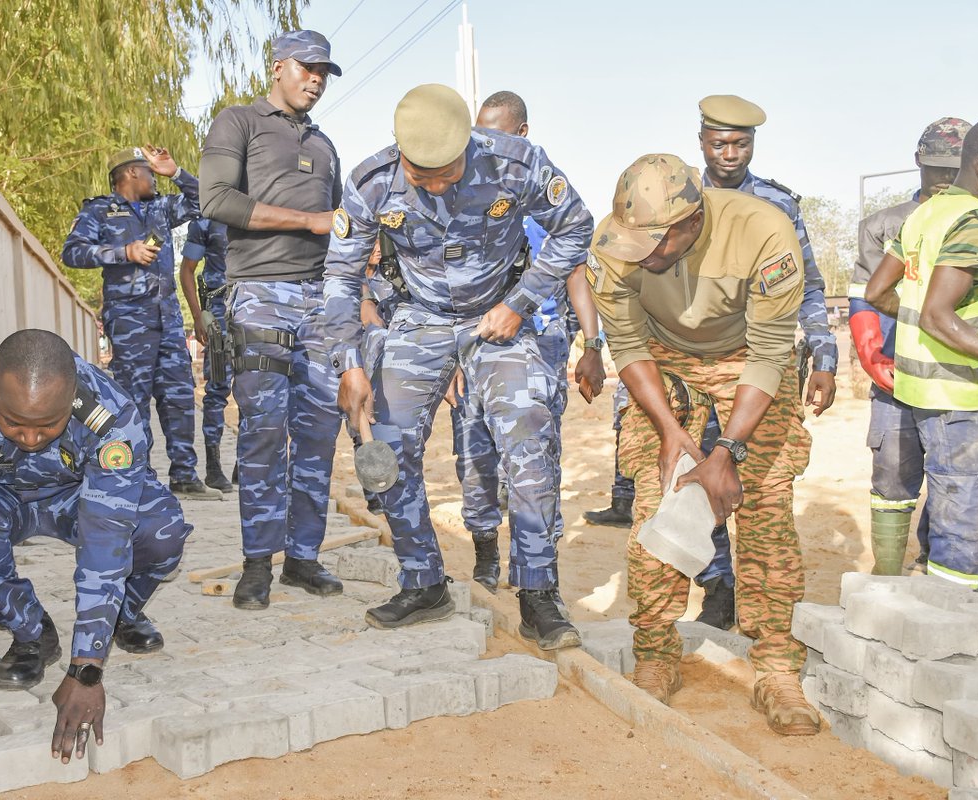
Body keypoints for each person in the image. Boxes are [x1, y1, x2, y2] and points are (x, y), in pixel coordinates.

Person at [324, 84, 594, 650]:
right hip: (418, 320)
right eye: (424, 179)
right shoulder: (372, 181)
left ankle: (539, 595)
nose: (439, 187)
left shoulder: (516, 162)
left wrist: (521, 303)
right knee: (387, 449)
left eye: (449, 173)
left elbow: (575, 227)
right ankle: (423, 581)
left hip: (498, 316)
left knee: (528, 437)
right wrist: (349, 364)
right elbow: (342, 277)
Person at [589, 154, 819, 735]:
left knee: (765, 507)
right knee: (659, 502)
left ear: (692, 222)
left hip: (748, 357)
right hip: (662, 361)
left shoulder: (763, 229)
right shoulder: (616, 243)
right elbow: (628, 344)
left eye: (654, 241)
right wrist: (672, 433)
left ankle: (775, 668)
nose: (639, 252)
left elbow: (770, 353)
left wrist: (728, 453)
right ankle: (657, 656)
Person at [0, 330, 190, 778]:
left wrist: (87, 669)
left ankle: (120, 615)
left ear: (72, 399)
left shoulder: (112, 415)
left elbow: (105, 539)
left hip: (77, 495)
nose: (30, 438)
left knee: (159, 531)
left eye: (47, 425)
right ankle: (31, 630)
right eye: (13, 422)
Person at [199, 30, 344, 609]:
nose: (315, 79)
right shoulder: (239, 122)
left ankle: (303, 559)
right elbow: (215, 200)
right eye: (307, 67)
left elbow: (340, 225)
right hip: (259, 294)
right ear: (279, 66)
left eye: (324, 72)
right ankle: (257, 565)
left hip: (320, 300)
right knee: (262, 433)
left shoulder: (327, 145)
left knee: (317, 435)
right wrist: (308, 223)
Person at [450, 90, 606, 593]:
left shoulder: (543, 203)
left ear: (521, 134)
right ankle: (484, 552)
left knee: (535, 457)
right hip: (475, 347)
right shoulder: (466, 198)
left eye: (495, 132)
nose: (484, 143)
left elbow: (577, 276)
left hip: (541, 347)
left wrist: (593, 344)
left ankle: (537, 570)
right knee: (473, 453)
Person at [864, 119, 978, 590]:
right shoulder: (974, 220)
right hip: (959, 395)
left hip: (916, 390)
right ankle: (947, 645)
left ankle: (916, 611)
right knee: (962, 523)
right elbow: (939, 315)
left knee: (942, 511)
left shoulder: (925, 213)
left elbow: (878, 291)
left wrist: (915, 317)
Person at [61, 145, 206, 495]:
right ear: (130, 173)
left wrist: (176, 173)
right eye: (150, 172)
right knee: (132, 401)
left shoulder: (161, 207)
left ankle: (185, 475)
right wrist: (123, 253)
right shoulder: (98, 210)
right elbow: (73, 252)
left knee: (179, 397)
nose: (154, 179)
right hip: (129, 322)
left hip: (168, 320)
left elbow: (206, 202)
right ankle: (138, 477)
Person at [179, 216, 235, 492]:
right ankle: (214, 467)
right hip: (219, 311)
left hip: (256, 307)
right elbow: (187, 270)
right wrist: (198, 315)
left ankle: (244, 465)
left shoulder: (261, 210)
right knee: (217, 389)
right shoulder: (206, 223)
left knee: (258, 386)